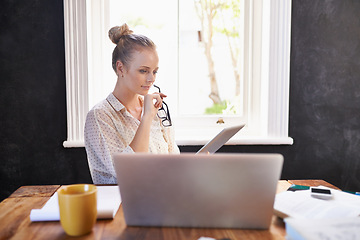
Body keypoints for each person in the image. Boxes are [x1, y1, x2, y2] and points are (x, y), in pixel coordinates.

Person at [84, 23, 180, 184]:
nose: (152, 79)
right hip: (122, 205)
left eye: (154, 71)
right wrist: (147, 118)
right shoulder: (99, 116)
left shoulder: (156, 109)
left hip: (161, 200)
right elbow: (131, 173)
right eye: (143, 71)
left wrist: (193, 168)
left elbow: (172, 164)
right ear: (120, 68)